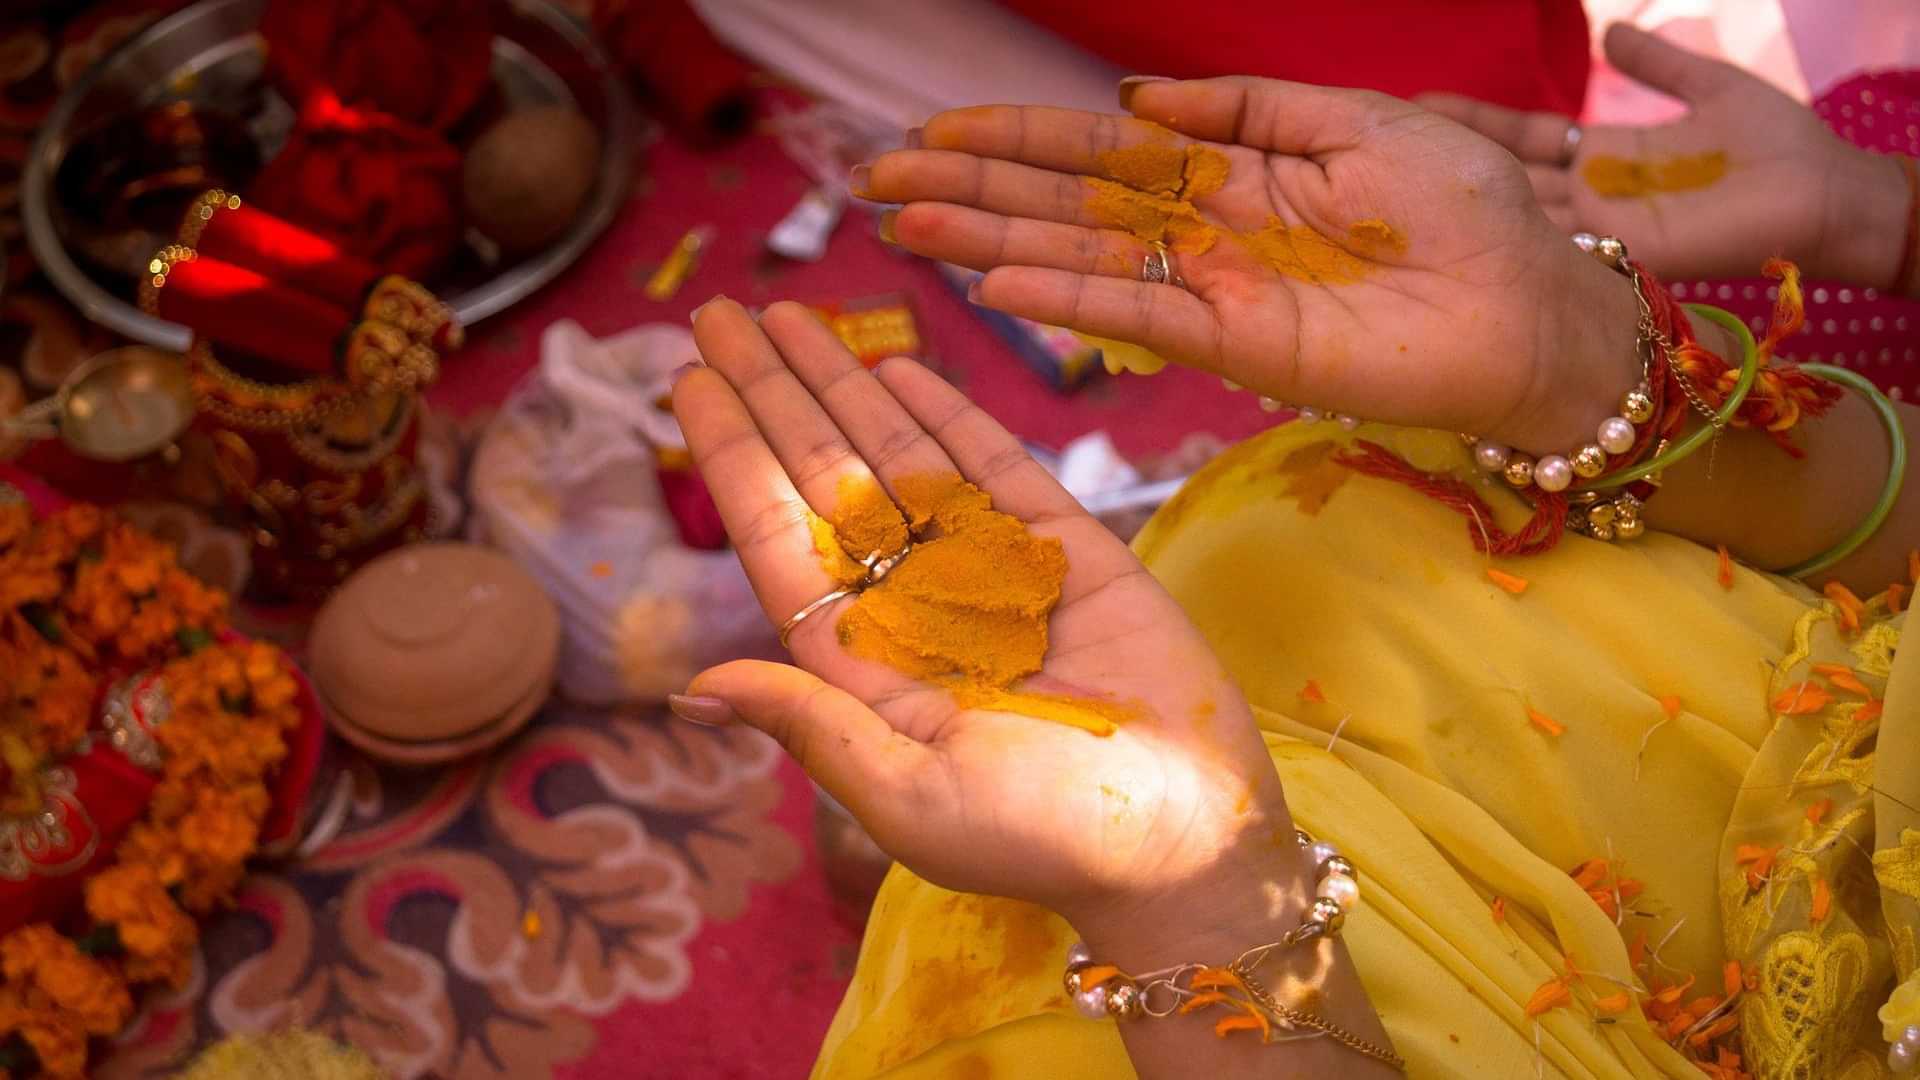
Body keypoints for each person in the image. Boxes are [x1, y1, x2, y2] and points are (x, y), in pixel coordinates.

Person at [665, 56, 1919, 1080]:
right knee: (1303, 525)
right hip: (1802, 692)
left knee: (1013, 980)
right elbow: (1892, 522)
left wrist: (1195, 903)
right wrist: (1577, 365)